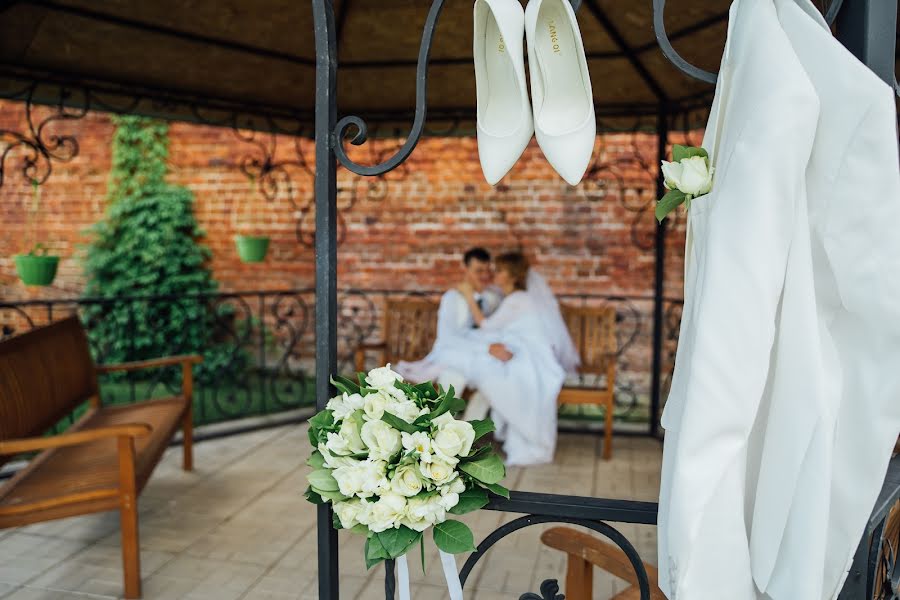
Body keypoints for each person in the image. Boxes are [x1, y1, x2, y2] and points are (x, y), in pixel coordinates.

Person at [459, 252, 579, 466]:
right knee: (487, 366)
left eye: (500, 270)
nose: (494, 273)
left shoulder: (518, 299)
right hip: (522, 351)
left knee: (488, 373)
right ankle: (466, 437)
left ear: (513, 276)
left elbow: (486, 326)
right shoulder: (513, 298)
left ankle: (465, 438)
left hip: (533, 357)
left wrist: (469, 296)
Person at [394, 247, 502, 392]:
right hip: (452, 351)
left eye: (487, 270)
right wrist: (485, 348)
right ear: (466, 269)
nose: (485, 276)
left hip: (478, 353)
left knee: (493, 368)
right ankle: (447, 410)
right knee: (457, 372)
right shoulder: (452, 298)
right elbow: (448, 338)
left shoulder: (493, 298)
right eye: (479, 271)